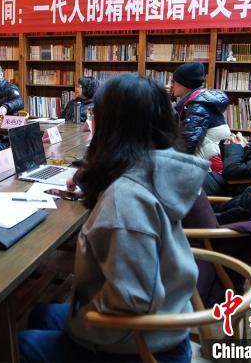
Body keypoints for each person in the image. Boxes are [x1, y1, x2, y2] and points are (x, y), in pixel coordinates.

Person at [19, 74, 207, 362]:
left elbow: (132, 301)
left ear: (111, 126)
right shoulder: (155, 169)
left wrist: (80, 327)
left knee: (19, 345)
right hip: (168, 320)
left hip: (143, 346)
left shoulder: (125, 199)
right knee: (42, 314)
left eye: (96, 115)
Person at [170, 62, 231, 173]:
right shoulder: (199, 101)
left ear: (185, 84)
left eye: (173, 81)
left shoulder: (197, 106)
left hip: (209, 170)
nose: (171, 85)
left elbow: (187, 143)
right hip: (211, 161)